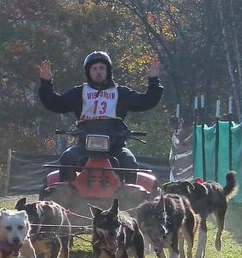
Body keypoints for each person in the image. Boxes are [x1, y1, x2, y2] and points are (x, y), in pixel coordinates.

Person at [37, 51, 163, 180]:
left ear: (108, 71)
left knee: (129, 162)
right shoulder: (79, 93)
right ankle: (66, 194)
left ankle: (129, 196)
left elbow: (146, 102)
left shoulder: (121, 92)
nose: (98, 72)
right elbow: (55, 104)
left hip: (115, 146)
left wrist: (153, 80)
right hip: (84, 145)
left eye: (102, 68)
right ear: (88, 72)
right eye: (94, 68)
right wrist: (46, 83)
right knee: (67, 159)